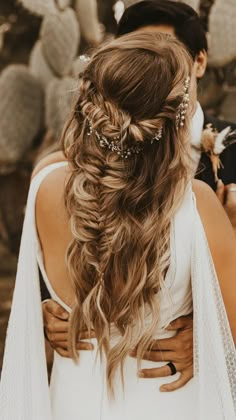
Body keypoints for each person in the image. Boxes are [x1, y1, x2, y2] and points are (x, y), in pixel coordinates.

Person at [1, 31, 236, 420]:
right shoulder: (197, 205)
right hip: (170, 401)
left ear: (89, 105)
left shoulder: (44, 182)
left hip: (73, 403)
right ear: (178, 116)